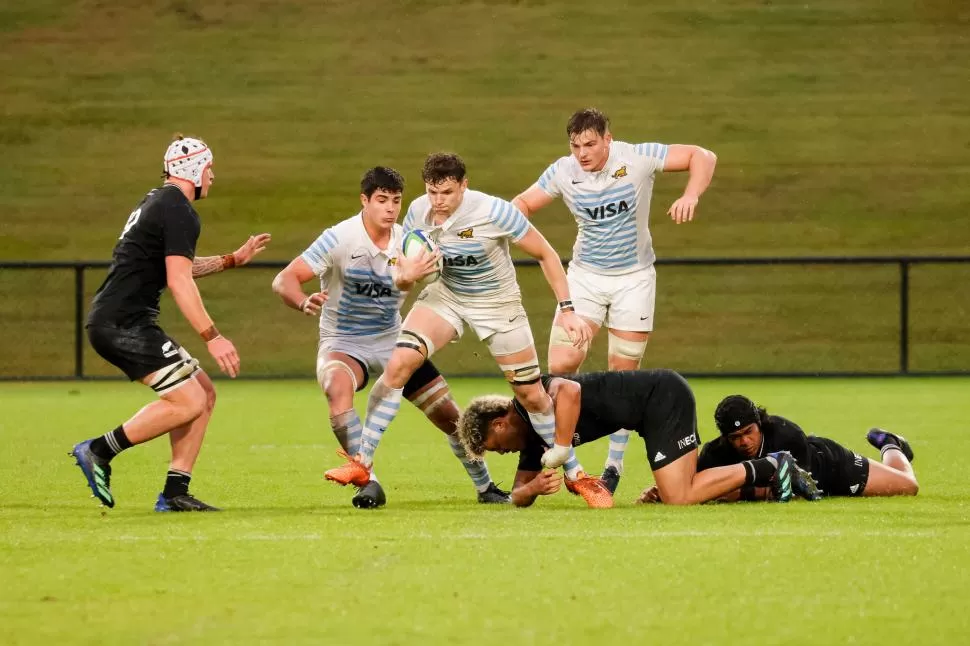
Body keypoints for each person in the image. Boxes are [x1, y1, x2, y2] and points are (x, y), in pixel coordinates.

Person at [323, 153, 610, 508]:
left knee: (532, 396)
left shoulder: (495, 212)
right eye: (432, 192)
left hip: (498, 304)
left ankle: (576, 475)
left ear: (464, 186)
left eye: (447, 192)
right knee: (399, 365)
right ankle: (362, 463)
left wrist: (568, 311)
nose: (438, 201)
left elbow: (547, 254)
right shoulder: (416, 212)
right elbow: (401, 272)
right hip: (446, 297)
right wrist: (405, 275)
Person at [272, 166, 509, 508]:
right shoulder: (340, 237)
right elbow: (285, 279)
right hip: (343, 341)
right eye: (381, 200)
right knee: (336, 388)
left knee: (450, 417)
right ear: (364, 201)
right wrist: (302, 299)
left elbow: (444, 287)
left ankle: (486, 487)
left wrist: (446, 320)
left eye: (396, 201)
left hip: (393, 339)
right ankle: (368, 482)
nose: (390, 209)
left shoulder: (410, 241)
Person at [511, 108, 718, 493]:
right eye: (575, 146)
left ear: (608, 139)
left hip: (634, 279)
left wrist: (691, 194)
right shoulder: (563, 171)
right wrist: (531, 241)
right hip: (586, 278)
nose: (582, 153)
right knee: (560, 367)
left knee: (622, 376)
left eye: (590, 144)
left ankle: (613, 467)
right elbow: (520, 205)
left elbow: (702, 155)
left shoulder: (636, 157)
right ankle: (570, 463)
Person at [69, 134, 271, 512]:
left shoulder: (159, 202)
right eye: (209, 169)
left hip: (121, 320)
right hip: (123, 324)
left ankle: (175, 492)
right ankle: (98, 450)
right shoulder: (178, 208)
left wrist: (230, 260)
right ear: (195, 169)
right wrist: (213, 337)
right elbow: (179, 281)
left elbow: (179, 266)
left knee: (204, 393)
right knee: (189, 399)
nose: (212, 178)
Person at [456, 370, 819, 508]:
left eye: (495, 445)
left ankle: (770, 465)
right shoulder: (533, 442)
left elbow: (568, 390)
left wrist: (563, 448)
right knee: (684, 491)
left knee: (679, 496)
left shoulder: (532, 399)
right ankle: (768, 473)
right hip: (651, 413)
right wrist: (532, 488)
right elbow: (516, 497)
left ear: (500, 423)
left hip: (662, 396)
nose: (503, 451)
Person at [638, 394, 918, 503]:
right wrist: (660, 492)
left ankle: (890, 444)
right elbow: (691, 487)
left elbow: (797, 490)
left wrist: (729, 493)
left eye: (749, 432)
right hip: (820, 472)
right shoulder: (715, 454)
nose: (743, 442)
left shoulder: (786, 434)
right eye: (735, 437)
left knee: (907, 486)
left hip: (832, 467)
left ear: (759, 423)